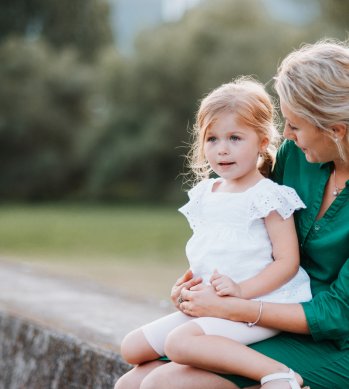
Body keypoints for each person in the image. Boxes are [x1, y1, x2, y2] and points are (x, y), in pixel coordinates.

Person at [115, 34, 349, 389]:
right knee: (132, 382)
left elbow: (340, 316)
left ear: (336, 130)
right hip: (263, 308)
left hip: (337, 344)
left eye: (294, 125)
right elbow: (251, 232)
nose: (286, 135)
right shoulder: (300, 153)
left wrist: (232, 308)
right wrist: (198, 284)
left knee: (167, 384)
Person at [118, 78, 312, 389]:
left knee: (179, 343)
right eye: (212, 139)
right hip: (212, 305)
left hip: (259, 304)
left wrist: (240, 292)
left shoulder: (269, 196)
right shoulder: (205, 193)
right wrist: (187, 291)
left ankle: (279, 374)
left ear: (262, 141)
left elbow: (287, 263)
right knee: (131, 348)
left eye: (235, 138)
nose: (222, 149)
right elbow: (213, 253)